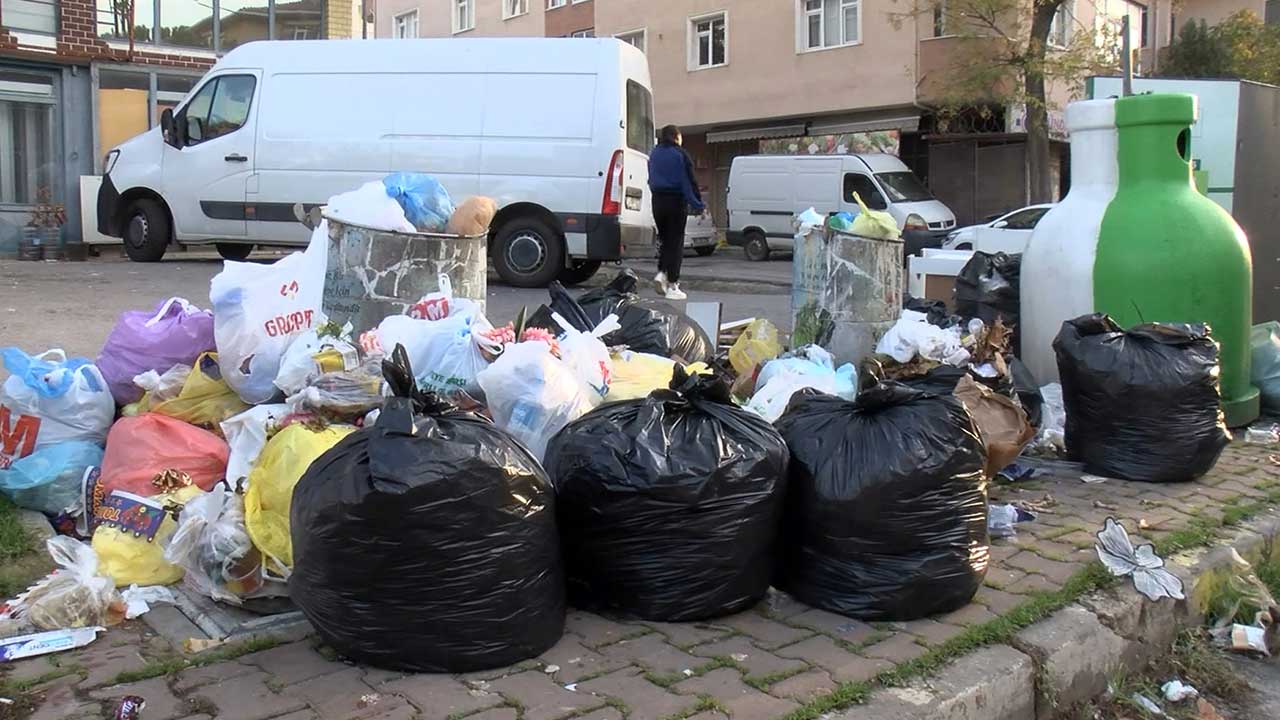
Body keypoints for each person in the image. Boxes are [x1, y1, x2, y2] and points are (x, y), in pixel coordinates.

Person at [648, 124, 705, 301]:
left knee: (665, 239)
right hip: (675, 201)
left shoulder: (654, 154)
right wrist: (699, 205)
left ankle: (662, 272)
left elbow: (651, 178)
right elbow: (688, 182)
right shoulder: (680, 155)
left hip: (657, 201)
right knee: (676, 242)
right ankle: (673, 284)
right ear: (676, 137)